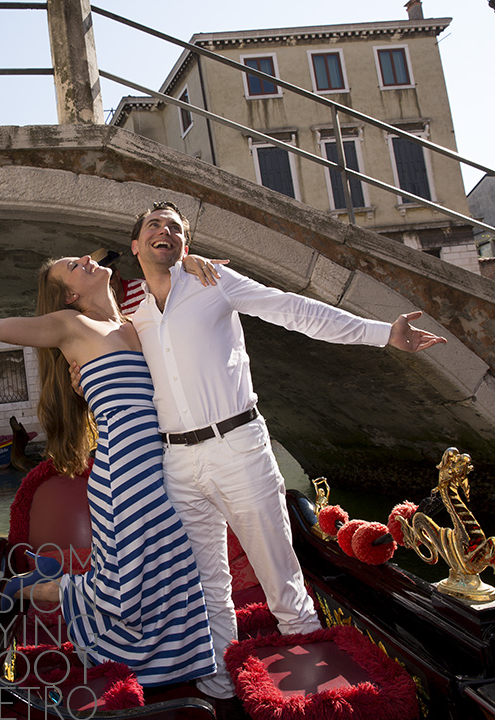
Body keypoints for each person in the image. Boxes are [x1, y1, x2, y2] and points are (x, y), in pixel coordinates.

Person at [124, 200, 447, 701]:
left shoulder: (214, 282)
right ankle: (223, 690)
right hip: (178, 463)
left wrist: (384, 334)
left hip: (238, 446)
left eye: (173, 227)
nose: (162, 231)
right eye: (153, 225)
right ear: (136, 244)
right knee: (208, 584)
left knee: (281, 576)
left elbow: (295, 311)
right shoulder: (133, 309)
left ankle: (321, 693)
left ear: (186, 243)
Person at [0, 255, 218, 688]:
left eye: (81, 257)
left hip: (164, 468)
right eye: (73, 266)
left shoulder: (138, 322)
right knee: (122, 592)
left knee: (171, 568)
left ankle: (184, 669)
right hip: (123, 474)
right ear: (69, 296)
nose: (87, 259)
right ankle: (25, 588)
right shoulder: (71, 326)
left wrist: (190, 262)